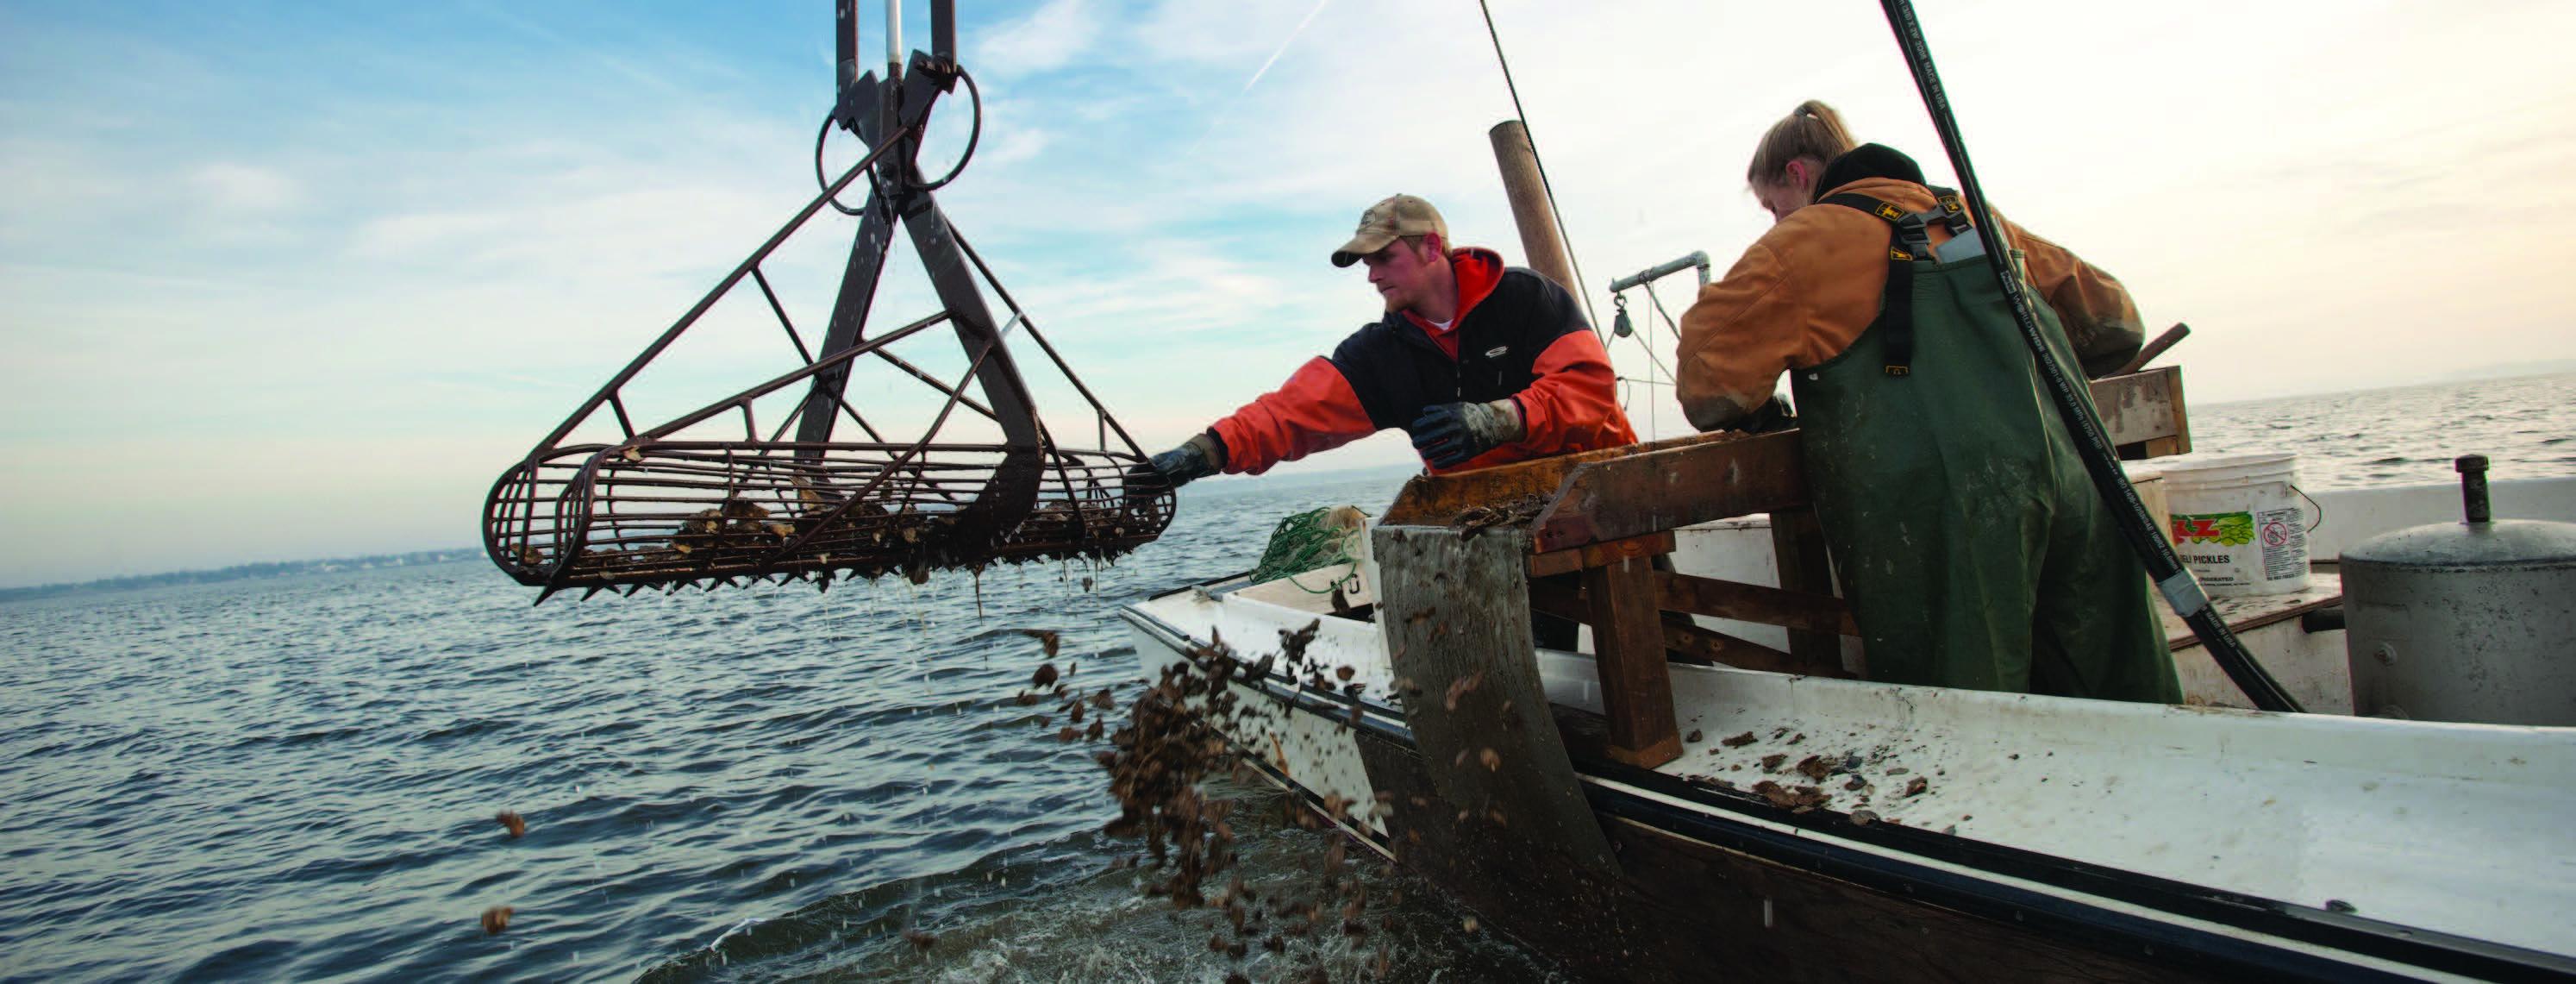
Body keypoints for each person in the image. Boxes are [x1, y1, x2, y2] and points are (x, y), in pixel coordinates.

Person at [1673, 101, 2180, 703]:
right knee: (2120, 700)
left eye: (1771, 204)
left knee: (1967, 711)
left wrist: (1761, 413)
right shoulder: (1974, 216)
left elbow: (1708, 385)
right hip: (2080, 488)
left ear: (1798, 176)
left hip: (1949, 517)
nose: (1774, 218)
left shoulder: (1800, 245)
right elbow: (2117, 323)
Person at [1138, 194, 1637, 487]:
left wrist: (1500, 419)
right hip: (1496, 515)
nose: (1372, 275)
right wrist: (1204, 452)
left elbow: (1589, 392)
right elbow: (1288, 415)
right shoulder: (1381, 355)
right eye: (1366, 264)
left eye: (1383, 258)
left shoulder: (1525, 297)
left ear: (1432, 247)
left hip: (1601, 484)